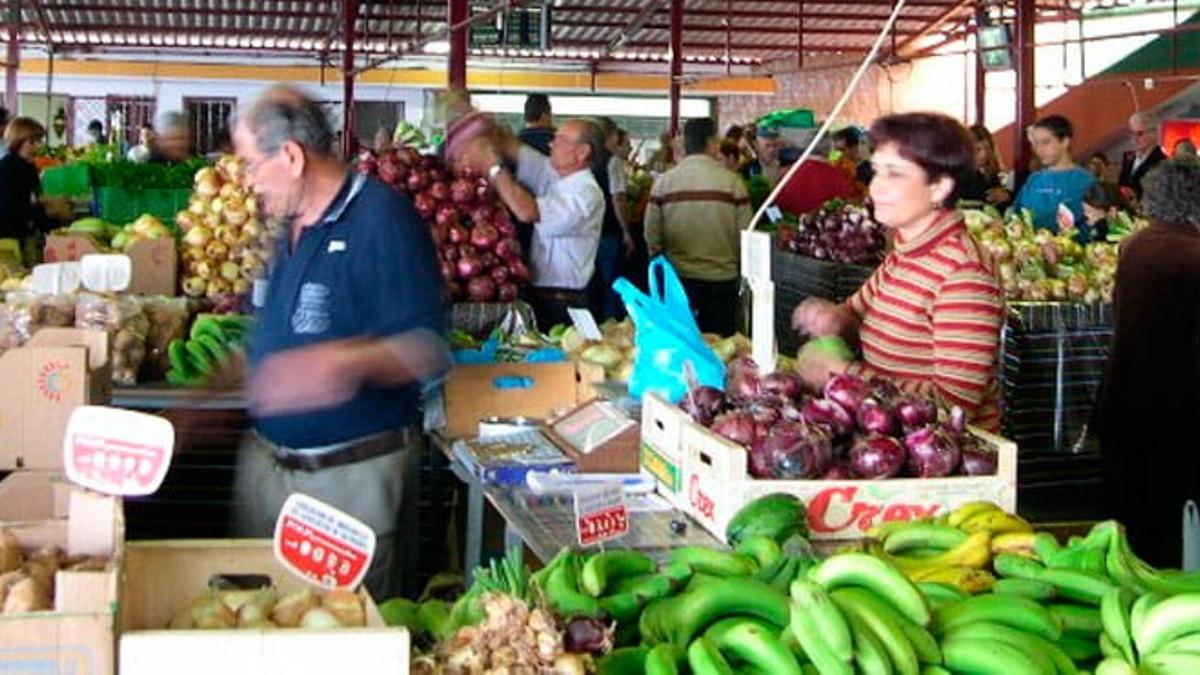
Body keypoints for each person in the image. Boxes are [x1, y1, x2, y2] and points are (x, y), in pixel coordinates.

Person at [230, 85, 448, 599]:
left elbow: (429, 349)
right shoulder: (288, 226)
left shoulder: (382, 220)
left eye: (251, 166)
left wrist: (339, 363)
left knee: (340, 637)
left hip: (344, 486)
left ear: (290, 155)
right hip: (270, 474)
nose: (247, 182)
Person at [791, 112, 1004, 431]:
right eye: (876, 171)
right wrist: (835, 317)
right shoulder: (904, 254)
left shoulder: (964, 275)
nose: (876, 188)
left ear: (939, 187)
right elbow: (856, 313)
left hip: (942, 462)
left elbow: (954, 407)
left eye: (895, 174)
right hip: (891, 441)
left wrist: (843, 373)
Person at [1098, 159, 1200, 567]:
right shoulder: (1193, 255)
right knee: (1173, 527)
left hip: (1127, 396)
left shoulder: (1136, 245)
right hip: (1178, 409)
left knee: (1133, 519)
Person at [456, 118, 605, 330]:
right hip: (539, 297)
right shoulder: (557, 177)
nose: (551, 144)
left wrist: (493, 168)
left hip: (563, 304)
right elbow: (518, 150)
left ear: (582, 152)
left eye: (559, 139)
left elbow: (527, 211)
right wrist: (479, 126)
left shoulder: (586, 193)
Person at [644, 117, 751, 336]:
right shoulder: (732, 183)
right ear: (712, 142)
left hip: (677, 279)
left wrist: (661, 264)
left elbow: (651, 234)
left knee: (681, 341)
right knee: (720, 346)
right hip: (721, 278)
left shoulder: (664, 182)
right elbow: (745, 236)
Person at [1012, 115, 1097, 239]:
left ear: (1065, 142)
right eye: (1036, 143)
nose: (1039, 149)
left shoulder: (1085, 181)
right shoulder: (1033, 179)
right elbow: (1015, 215)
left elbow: (1091, 227)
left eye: (1046, 142)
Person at [588, 117, 634, 320]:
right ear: (611, 135)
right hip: (608, 231)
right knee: (613, 286)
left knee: (592, 285)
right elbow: (618, 197)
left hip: (587, 233)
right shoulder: (612, 160)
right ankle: (610, 327)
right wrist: (626, 231)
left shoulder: (585, 160)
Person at [0, 118, 54, 254]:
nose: (38, 147)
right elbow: (12, 209)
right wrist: (47, 209)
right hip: (7, 239)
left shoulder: (29, 167)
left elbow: (33, 199)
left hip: (24, 235)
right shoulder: (6, 168)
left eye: (39, 141)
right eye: (32, 142)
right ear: (17, 142)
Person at [773, 132, 856, 217]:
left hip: (789, 227)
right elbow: (846, 210)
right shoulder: (838, 178)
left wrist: (778, 224)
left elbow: (772, 208)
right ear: (829, 150)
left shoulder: (788, 173)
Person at [1118, 111, 1166, 200]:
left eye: (1140, 134)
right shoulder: (1128, 157)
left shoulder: (1163, 162)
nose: (1135, 139)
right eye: (1132, 133)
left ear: (1154, 133)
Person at [960, 124, 1012, 207]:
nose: (984, 154)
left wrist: (1007, 196)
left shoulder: (991, 174)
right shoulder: (961, 175)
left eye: (987, 148)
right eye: (978, 149)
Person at [831, 127, 868, 198]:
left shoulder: (869, 169)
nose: (838, 154)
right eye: (836, 150)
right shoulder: (839, 161)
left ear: (855, 147)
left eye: (841, 150)